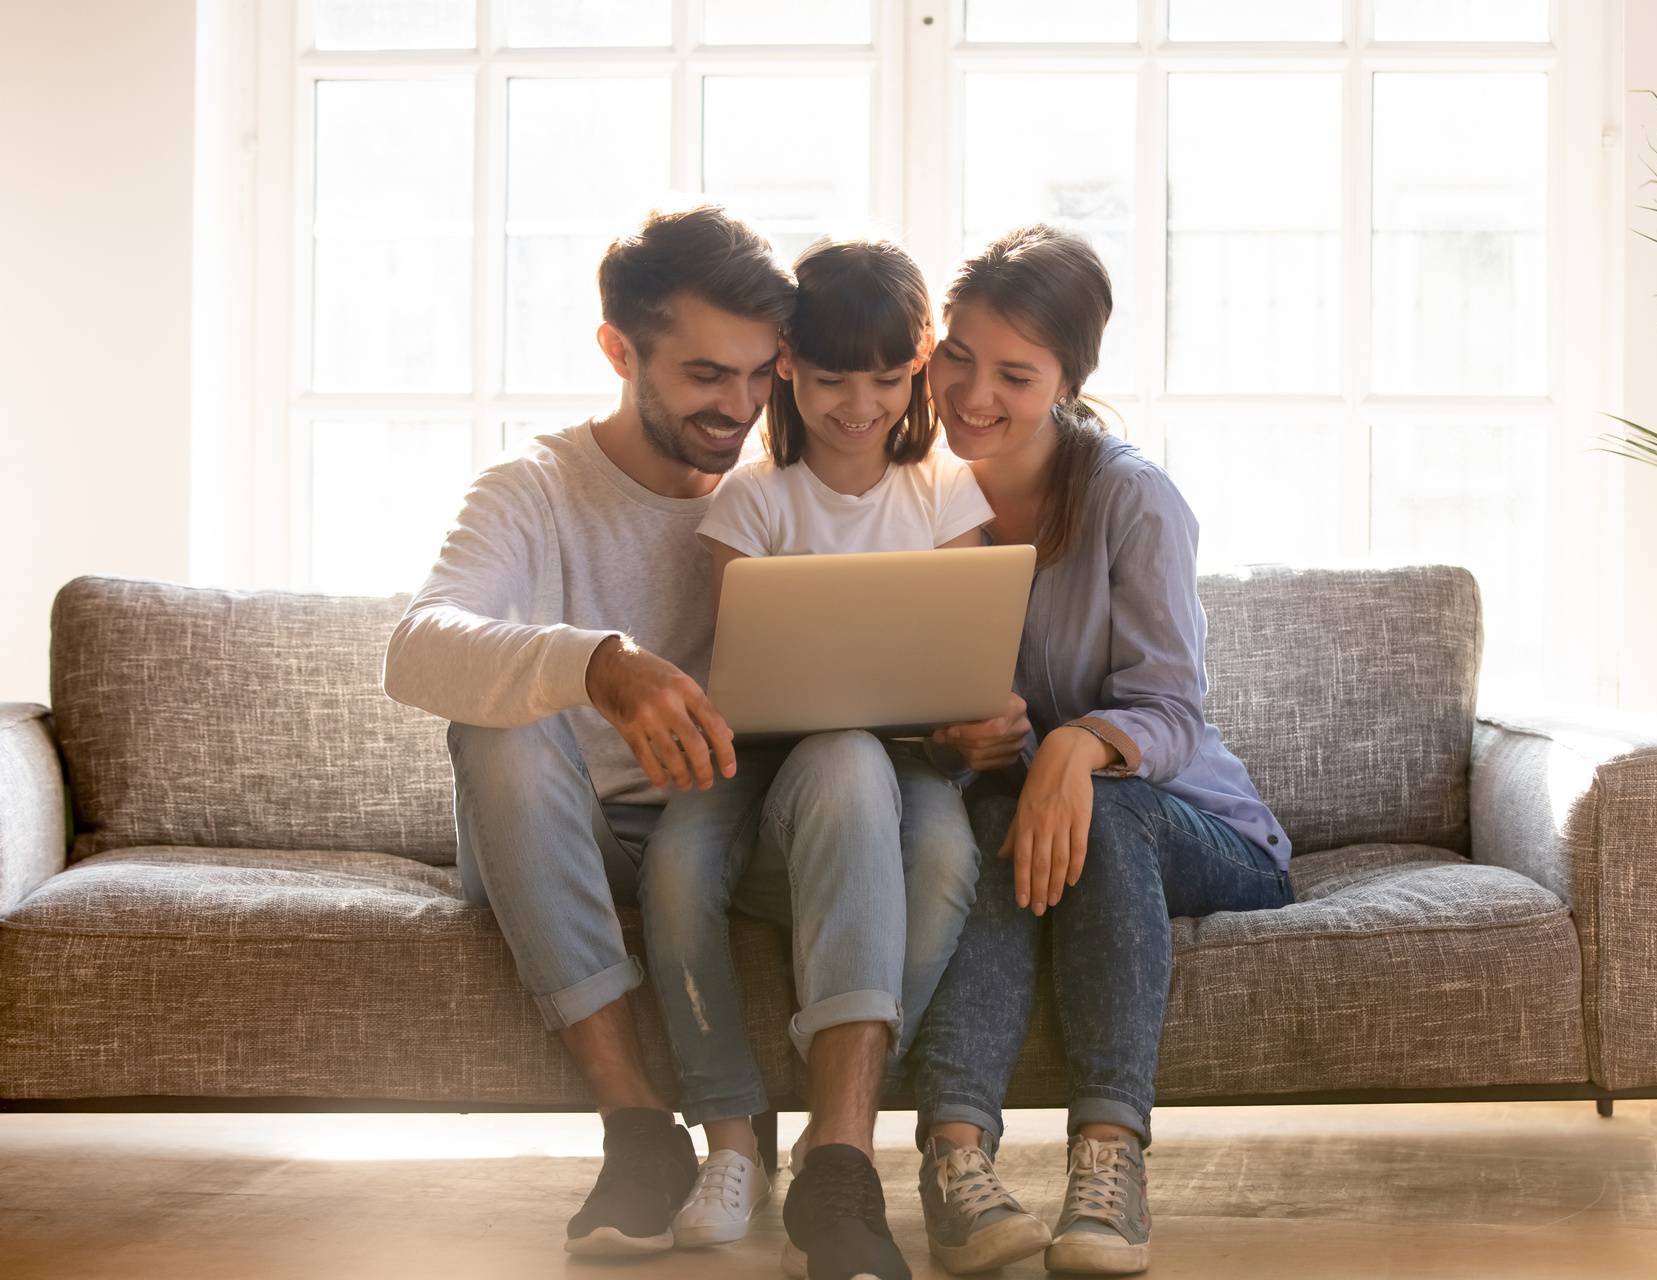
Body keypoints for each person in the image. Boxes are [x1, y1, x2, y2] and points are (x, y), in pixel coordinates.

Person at [381, 205, 937, 1280]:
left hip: (740, 835)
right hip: (568, 833)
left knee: (849, 758)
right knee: (499, 732)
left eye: (757, 373)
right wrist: (595, 663)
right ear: (617, 351)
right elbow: (417, 647)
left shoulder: (790, 493)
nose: (737, 405)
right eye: (701, 374)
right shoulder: (532, 489)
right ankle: (638, 1133)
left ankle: (840, 1165)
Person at [908, 225, 1296, 1277]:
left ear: (1069, 380)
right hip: (1024, 814)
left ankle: (1109, 1161)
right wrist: (970, 739)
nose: (973, 393)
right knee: (982, 820)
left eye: (1015, 374)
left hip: (1200, 827)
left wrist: (1072, 746)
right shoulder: (921, 500)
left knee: (1101, 805)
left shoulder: (1132, 498)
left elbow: (1171, 708)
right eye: (959, 356)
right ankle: (956, 1163)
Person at [637, 238, 992, 1259]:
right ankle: (731, 1136)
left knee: (945, 858)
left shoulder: (941, 490)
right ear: (786, 362)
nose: (860, 404)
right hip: (760, 754)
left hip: (910, 752)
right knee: (675, 866)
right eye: (834, 378)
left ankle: (840, 1118)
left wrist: (978, 709)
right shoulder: (752, 500)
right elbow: (734, 668)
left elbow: (966, 651)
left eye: (887, 378)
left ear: (919, 359)